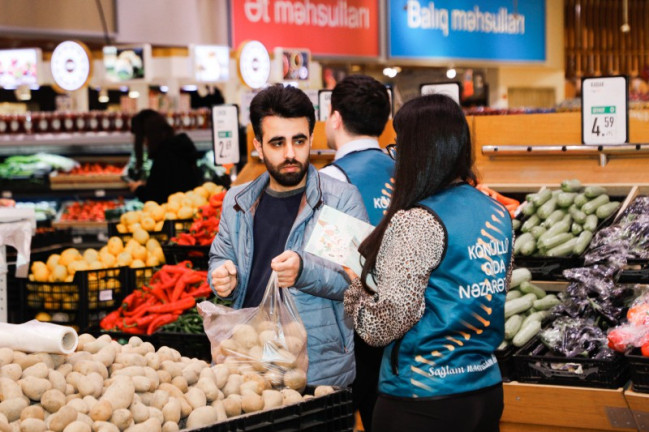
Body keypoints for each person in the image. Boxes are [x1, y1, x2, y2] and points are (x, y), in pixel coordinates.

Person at [344, 94, 513, 432]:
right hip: (484, 387)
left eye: (399, 146)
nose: (396, 156)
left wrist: (354, 294)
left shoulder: (418, 220)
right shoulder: (496, 212)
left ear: (418, 150)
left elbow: (386, 324)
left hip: (422, 397)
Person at [208, 84, 368, 386]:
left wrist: (304, 270)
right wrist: (220, 276)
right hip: (248, 363)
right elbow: (221, 256)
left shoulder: (339, 199)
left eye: (299, 140)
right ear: (258, 145)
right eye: (277, 143)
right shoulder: (238, 200)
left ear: (311, 138)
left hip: (315, 370)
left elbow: (356, 283)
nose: (291, 153)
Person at [320, 74, 392, 432]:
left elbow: (332, 267)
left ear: (335, 119)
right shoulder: (406, 170)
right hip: (407, 323)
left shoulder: (331, 178)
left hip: (357, 327)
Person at [127, 109, 202, 204]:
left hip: (172, 212)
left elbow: (155, 197)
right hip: (186, 206)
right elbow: (170, 184)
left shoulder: (164, 155)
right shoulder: (178, 147)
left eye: (143, 138)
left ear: (149, 135)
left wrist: (138, 189)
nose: (144, 143)